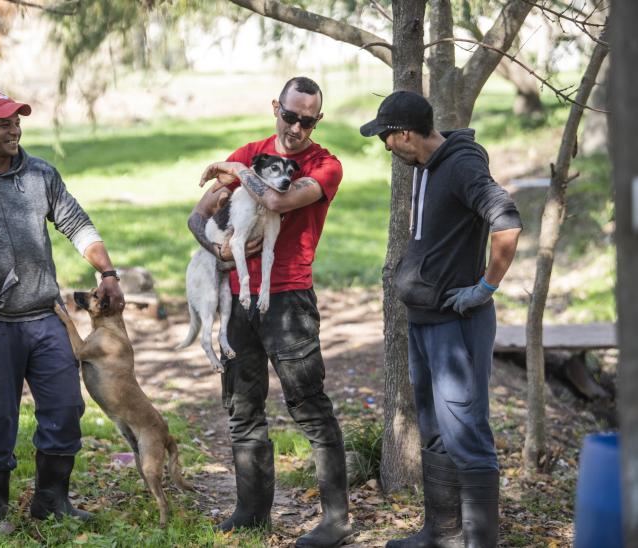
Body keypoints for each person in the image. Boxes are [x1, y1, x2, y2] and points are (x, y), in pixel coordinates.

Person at [0, 91, 124, 525]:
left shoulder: (40, 174)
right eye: (3, 122)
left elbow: (76, 223)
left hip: (45, 316)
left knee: (66, 409)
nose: (15, 128)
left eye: (17, 120)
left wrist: (108, 272)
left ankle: (52, 502)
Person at [190, 77, 353, 548]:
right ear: (275, 108)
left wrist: (236, 171)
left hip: (289, 300)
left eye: (308, 119)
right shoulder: (251, 151)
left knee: (309, 407)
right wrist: (217, 251)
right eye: (290, 115)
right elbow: (196, 216)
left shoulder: (325, 166)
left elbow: (278, 200)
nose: (297, 127)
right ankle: (251, 512)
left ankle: (336, 519)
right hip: (239, 297)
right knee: (242, 408)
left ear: (316, 121)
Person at [359, 90, 522, 548]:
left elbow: (506, 222)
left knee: (466, 431)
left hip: (456, 325)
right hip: (425, 320)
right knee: (435, 430)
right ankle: (442, 533)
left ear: (405, 134)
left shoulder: (462, 165)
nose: (386, 147)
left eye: (386, 138)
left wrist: (485, 287)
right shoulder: (426, 165)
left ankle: (479, 542)